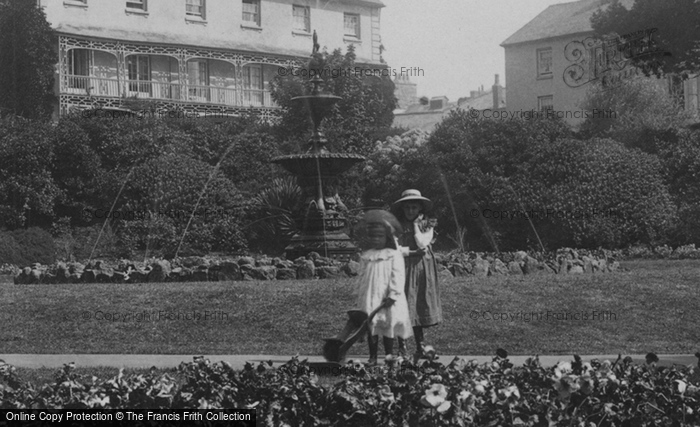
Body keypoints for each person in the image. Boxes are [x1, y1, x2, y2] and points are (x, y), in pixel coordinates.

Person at [355, 210, 413, 366]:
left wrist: (393, 294)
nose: (376, 240)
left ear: (386, 237)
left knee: (389, 322)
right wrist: (360, 294)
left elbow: (398, 275)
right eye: (372, 236)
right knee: (371, 323)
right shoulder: (367, 255)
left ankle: (389, 355)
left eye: (379, 236)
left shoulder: (393, 254)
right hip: (371, 295)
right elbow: (361, 277)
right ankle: (373, 356)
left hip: (388, 296)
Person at [392, 189, 442, 361]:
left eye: (414, 207)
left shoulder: (427, 223)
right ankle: (402, 347)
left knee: (418, 304)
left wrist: (415, 226)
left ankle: (420, 345)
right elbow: (395, 248)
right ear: (403, 208)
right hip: (403, 267)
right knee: (403, 305)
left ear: (420, 208)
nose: (410, 211)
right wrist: (411, 252)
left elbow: (422, 242)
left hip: (422, 269)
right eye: (407, 208)